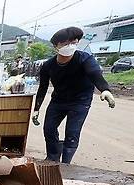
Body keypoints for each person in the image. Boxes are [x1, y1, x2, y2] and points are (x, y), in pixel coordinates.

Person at [32, 27, 116, 164]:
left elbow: (95, 74)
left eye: (73, 43)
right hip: (59, 100)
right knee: (49, 128)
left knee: (72, 133)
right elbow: (43, 87)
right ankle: (53, 157)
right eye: (65, 44)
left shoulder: (84, 59)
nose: (69, 46)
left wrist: (105, 89)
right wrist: (36, 109)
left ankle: (66, 164)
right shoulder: (49, 66)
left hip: (80, 101)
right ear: (56, 46)